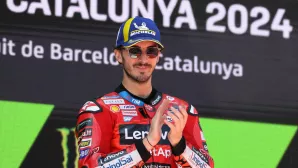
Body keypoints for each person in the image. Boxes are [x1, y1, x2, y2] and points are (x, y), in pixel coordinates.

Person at [76, 16, 214, 168]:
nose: (143, 59)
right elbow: (88, 166)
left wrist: (179, 144)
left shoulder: (182, 110)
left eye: (151, 51)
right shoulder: (98, 110)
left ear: (158, 56)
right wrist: (147, 143)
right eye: (134, 51)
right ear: (118, 55)